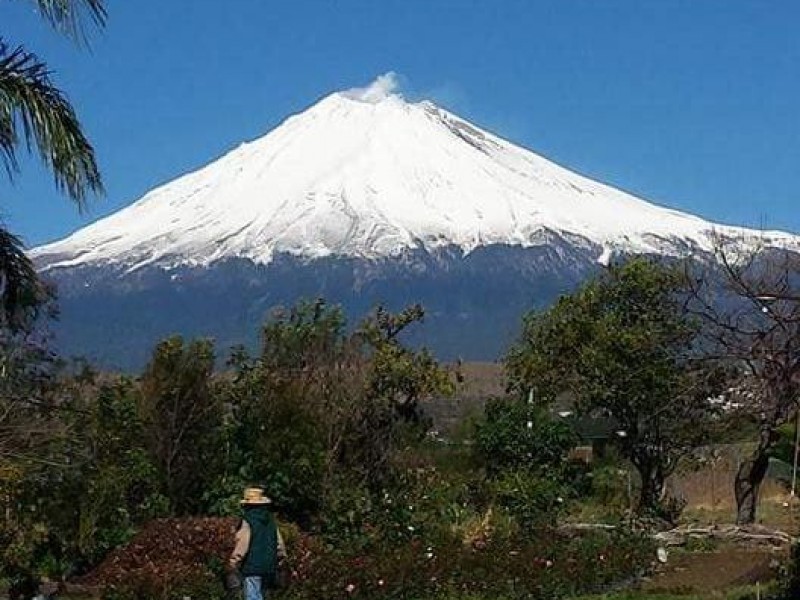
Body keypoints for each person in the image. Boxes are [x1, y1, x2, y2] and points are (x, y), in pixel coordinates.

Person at [228, 487, 286, 600]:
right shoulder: (271, 522)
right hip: (270, 567)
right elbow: (280, 545)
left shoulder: (248, 521)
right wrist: (280, 560)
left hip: (252, 568)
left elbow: (242, 545)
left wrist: (233, 562)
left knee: (253, 596)